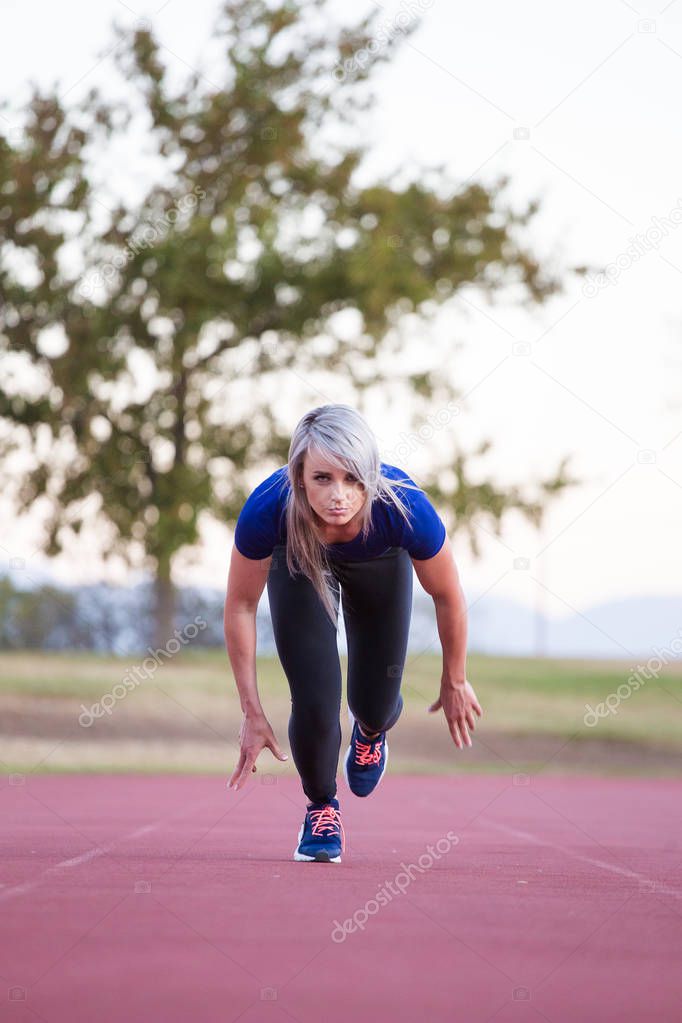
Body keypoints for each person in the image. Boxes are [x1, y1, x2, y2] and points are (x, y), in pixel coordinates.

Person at [224, 403, 482, 863]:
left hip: (378, 564)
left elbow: (448, 594)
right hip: (300, 561)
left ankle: (371, 733)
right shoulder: (269, 508)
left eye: (353, 479)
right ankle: (322, 807)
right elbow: (242, 605)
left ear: (371, 475)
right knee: (317, 701)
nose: (338, 495)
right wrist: (251, 710)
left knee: (376, 703)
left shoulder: (403, 507)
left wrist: (455, 678)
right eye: (322, 478)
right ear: (299, 475)